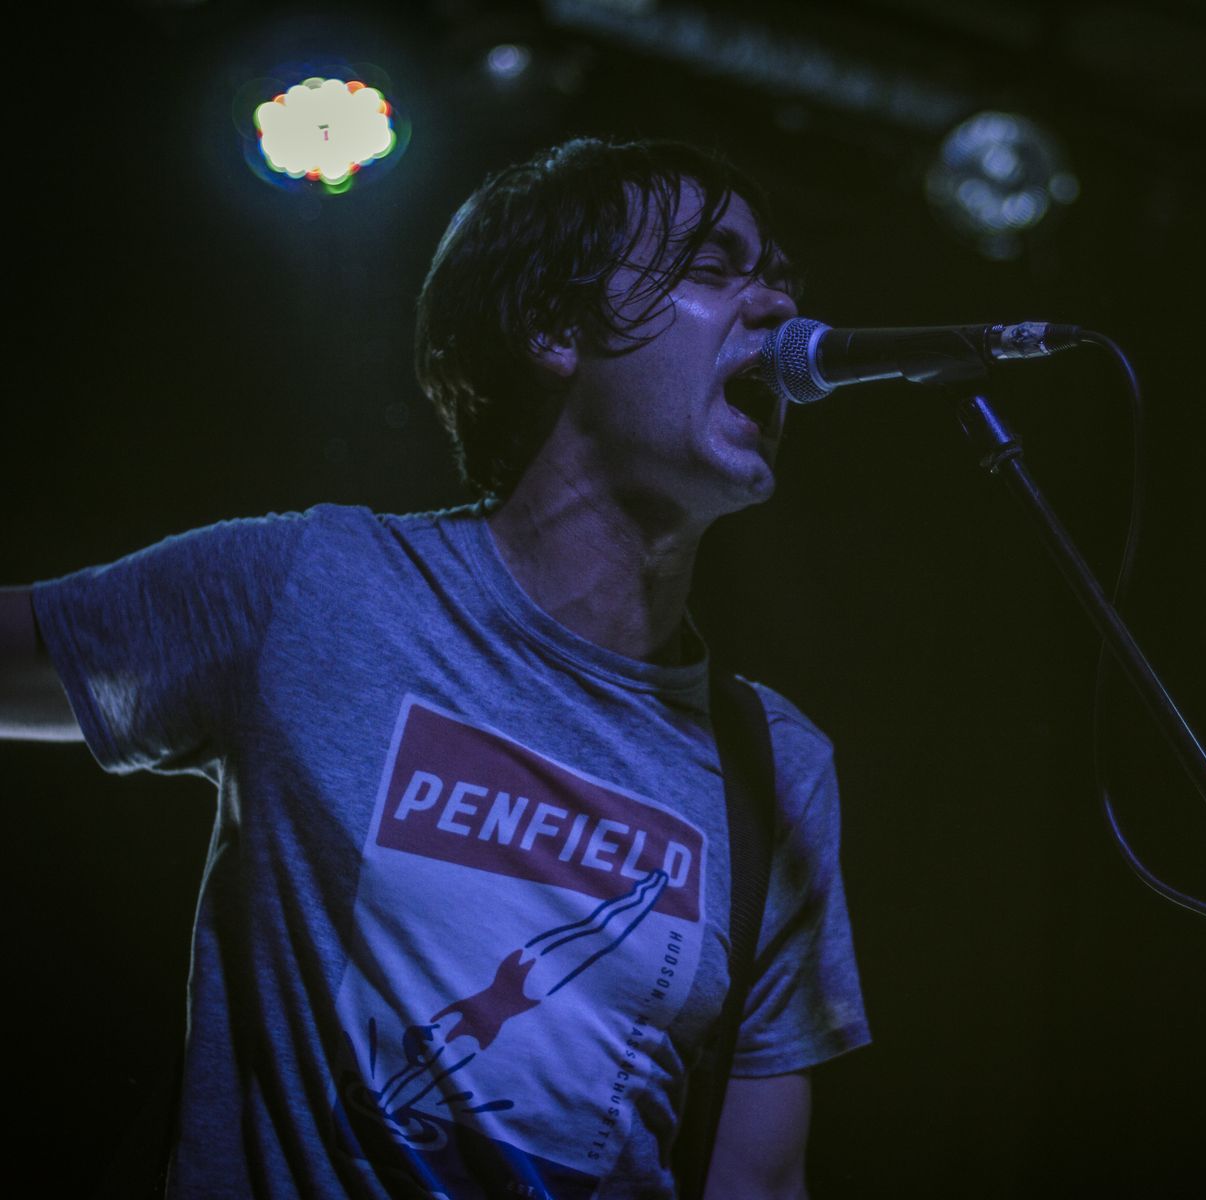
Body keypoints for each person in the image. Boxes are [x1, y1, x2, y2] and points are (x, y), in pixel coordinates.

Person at [0, 136, 870, 1199]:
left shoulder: (773, 766)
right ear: (554, 326)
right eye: (710, 266)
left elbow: (759, 1177)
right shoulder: (316, 588)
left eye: (776, 275)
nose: (777, 306)